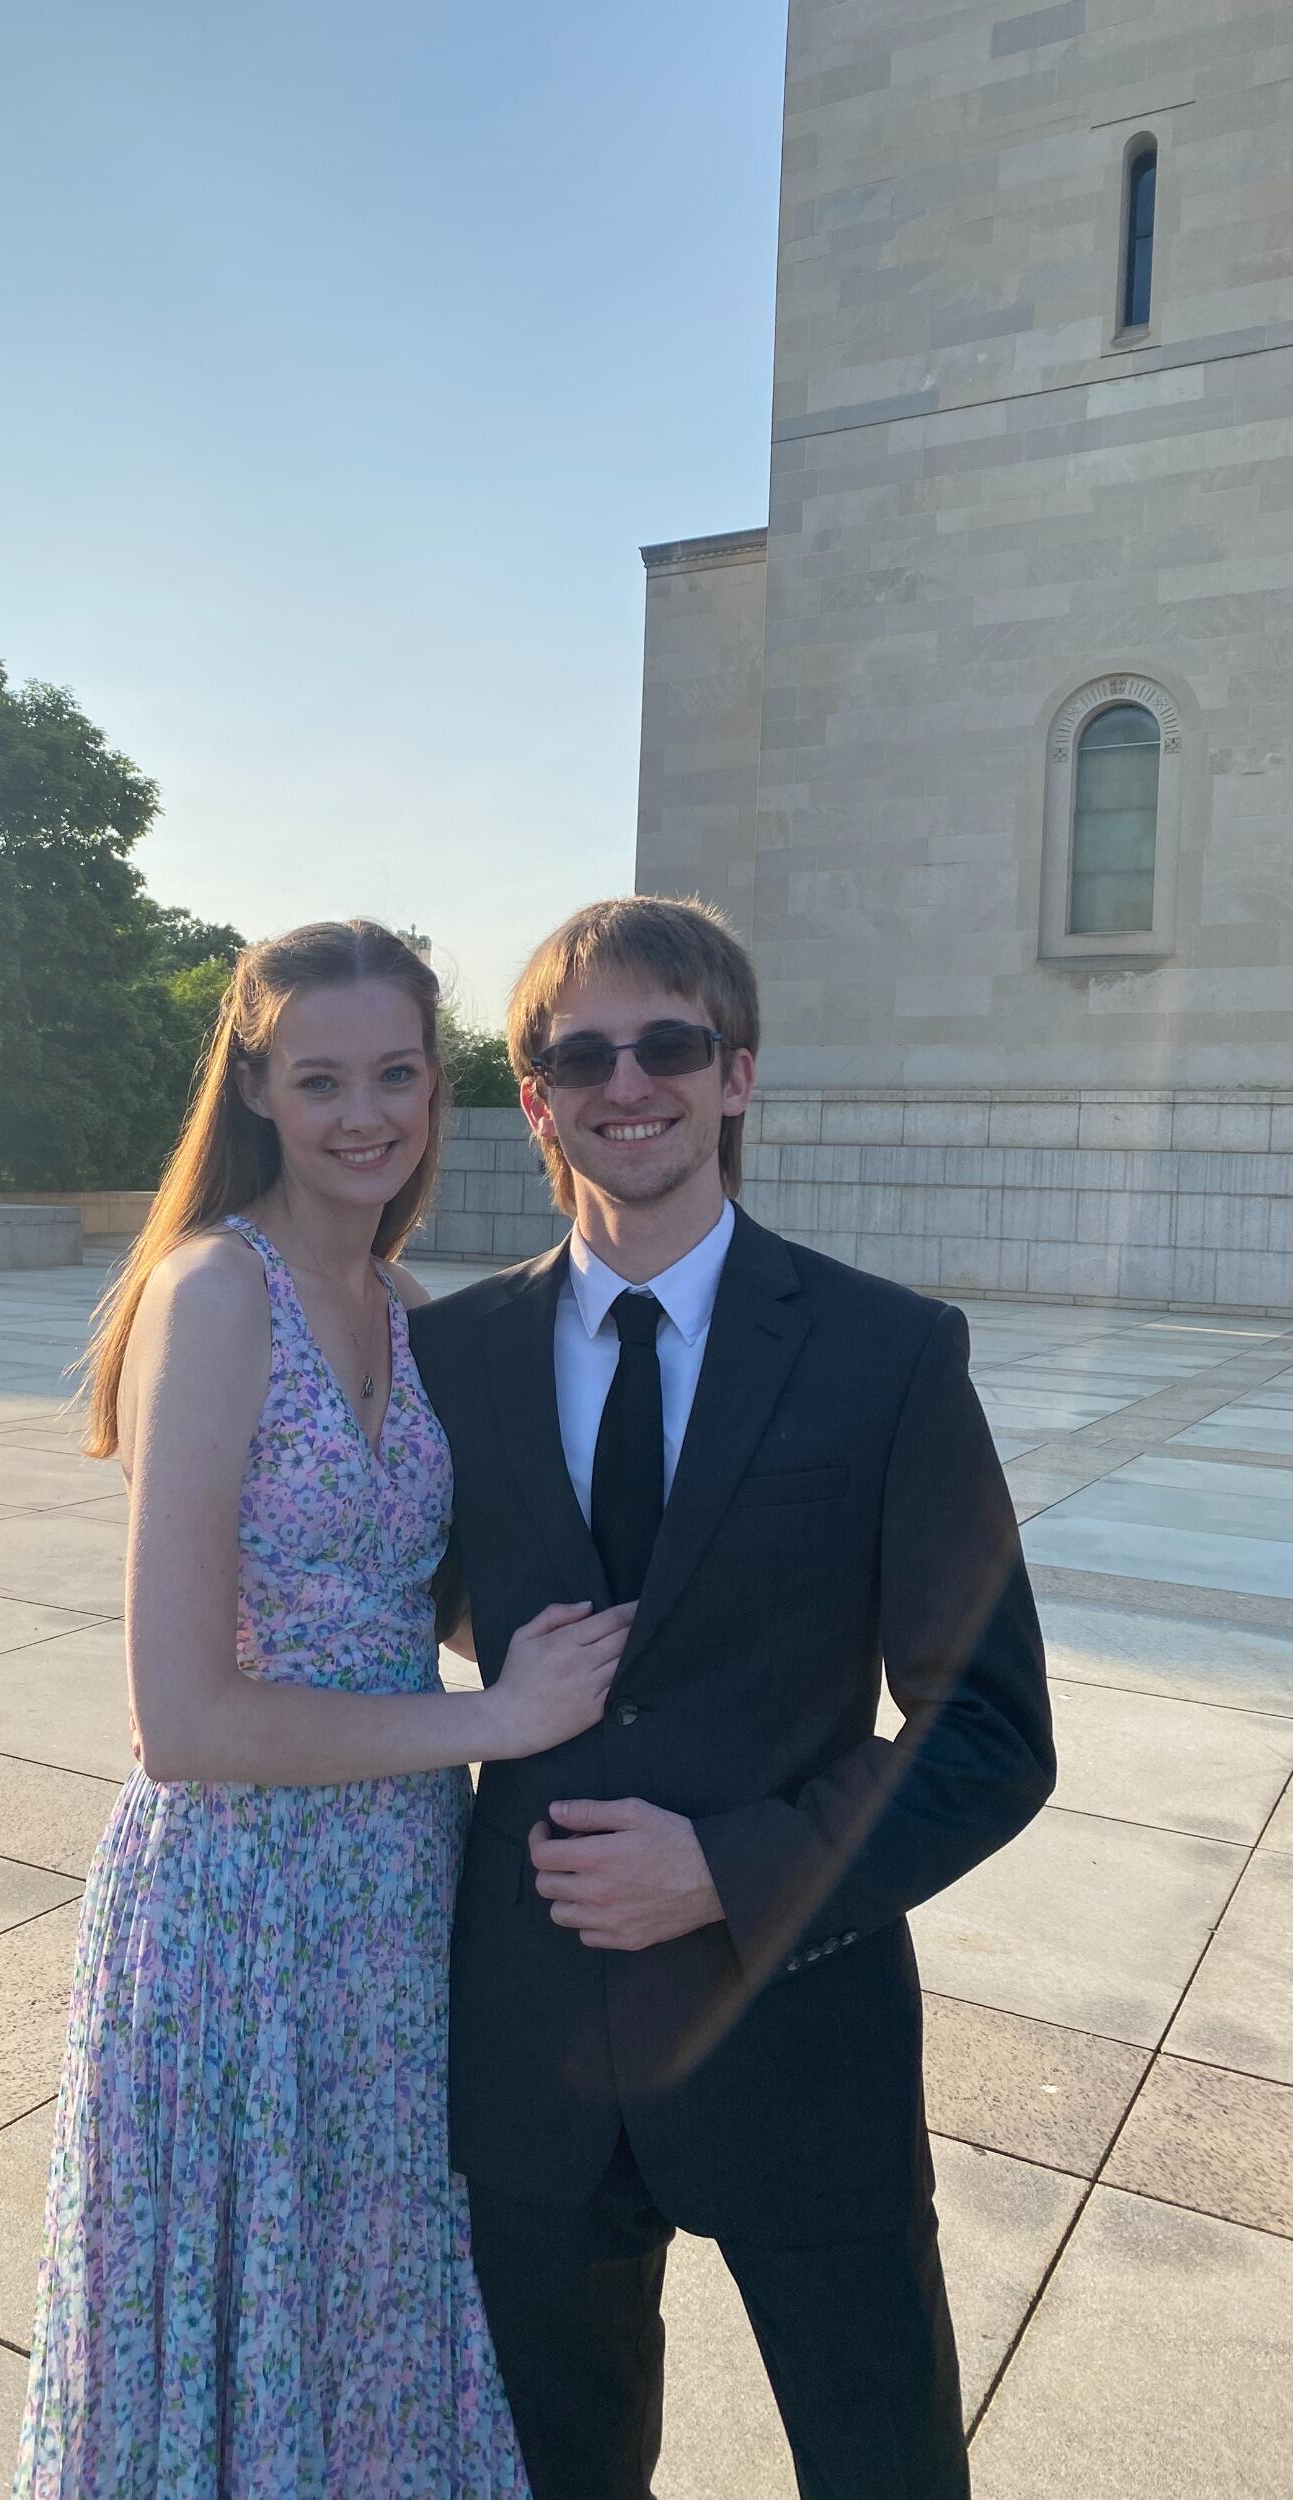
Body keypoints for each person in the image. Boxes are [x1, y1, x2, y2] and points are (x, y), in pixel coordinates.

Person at [408, 895, 1055, 2500]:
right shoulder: (453, 1360)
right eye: (582, 1057)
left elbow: (990, 1733)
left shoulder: (886, 1353)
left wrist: (724, 1867)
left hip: (798, 2035)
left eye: (670, 1046)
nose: (628, 1083)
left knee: (882, 2465)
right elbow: (377, 1620)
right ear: (537, 1098)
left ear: (738, 1075)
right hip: (531, 2046)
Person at [13, 918, 633, 2500]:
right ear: (257, 1089)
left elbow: (427, 1598)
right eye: (321, 1080)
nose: (367, 1114)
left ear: (440, 1084)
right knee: (247, 2324)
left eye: (398, 1075)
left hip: (397, 1905)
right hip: (239, 1905)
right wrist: (497, 1722)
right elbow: (182, 1723)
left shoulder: (411, 1304)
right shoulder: (218, 1292)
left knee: (369, 2325)